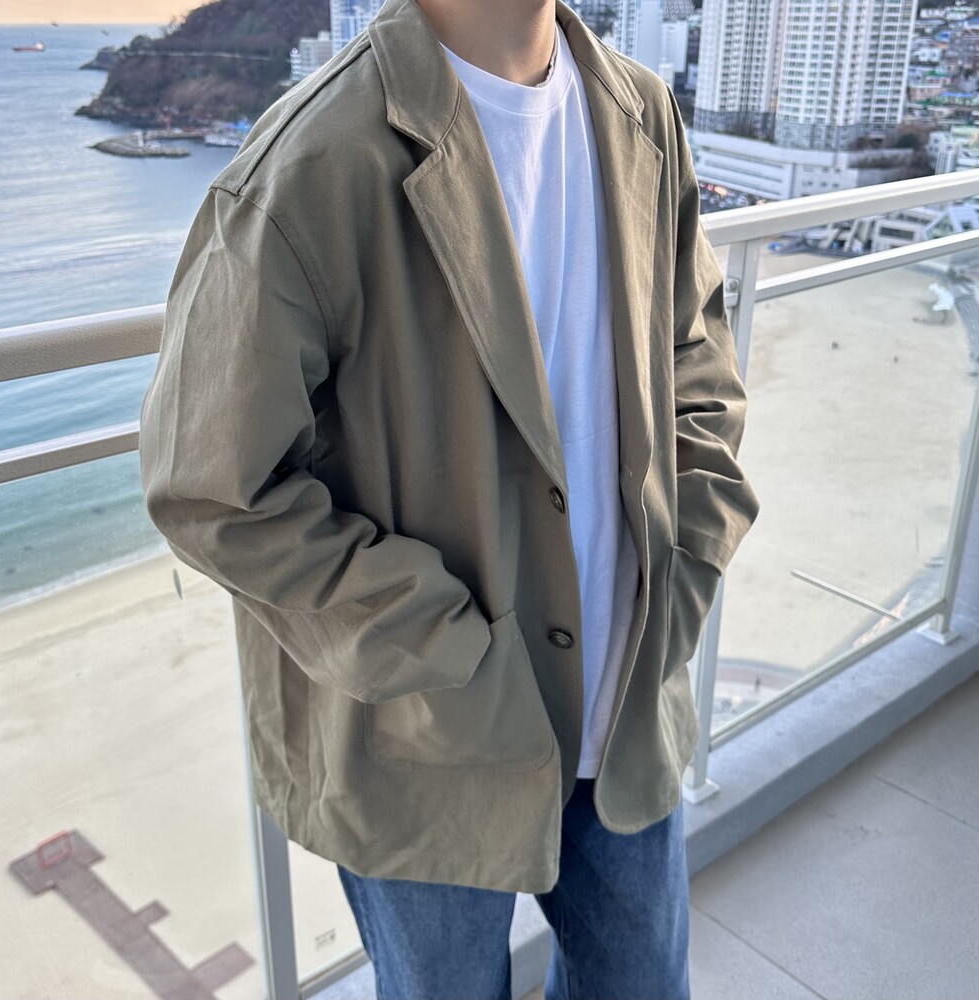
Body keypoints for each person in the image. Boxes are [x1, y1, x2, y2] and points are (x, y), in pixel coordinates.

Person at [139, 0, 760, 996]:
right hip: (426, 734)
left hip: (627, 700)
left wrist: (684, 560)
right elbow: (210, 483)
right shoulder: (315, 161)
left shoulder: (642, 113)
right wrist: (435, 644)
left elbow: (699, 361)